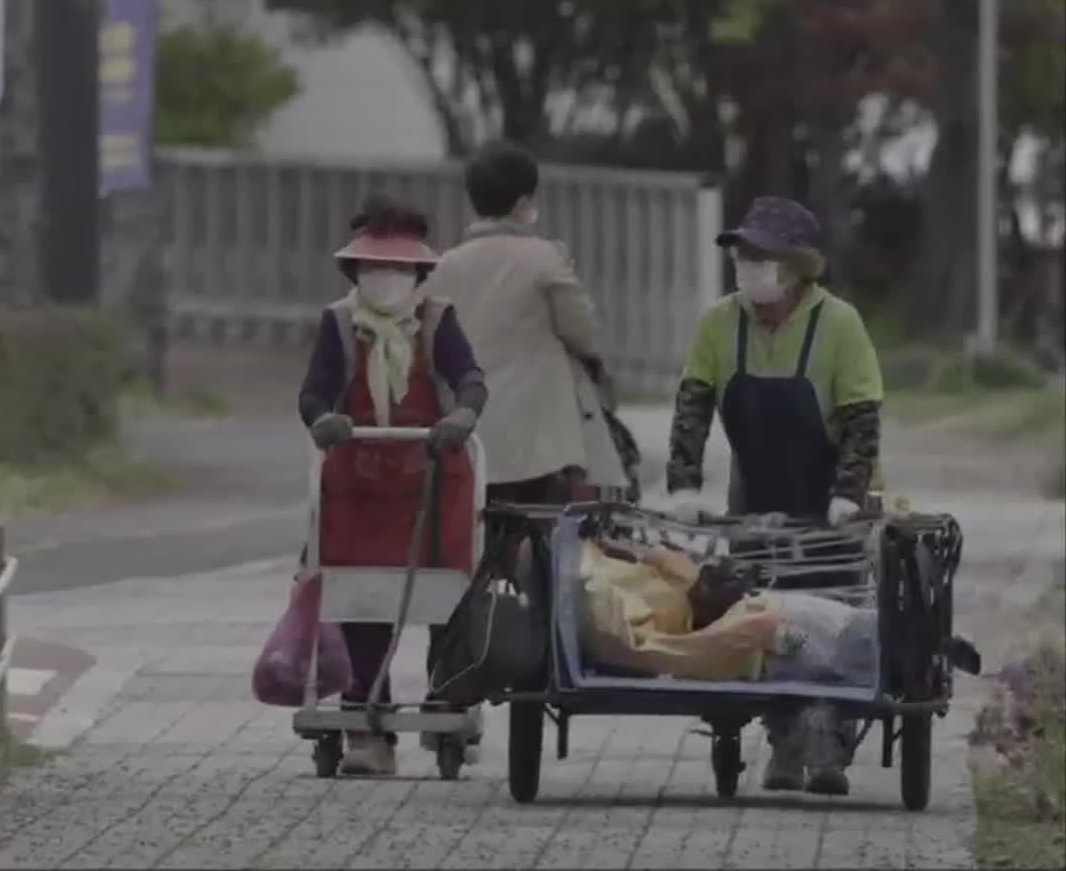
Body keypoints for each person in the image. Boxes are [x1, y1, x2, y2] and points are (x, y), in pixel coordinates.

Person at [661, 195, 884, 796]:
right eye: (743, 254)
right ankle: (787, 744)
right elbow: (692, 409)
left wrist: (848, 494)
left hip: (830, 499)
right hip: (755, 494)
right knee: (770, 618)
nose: (748, 265)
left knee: (831, 621)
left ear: (797, 266)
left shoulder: (839, 324)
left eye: (761, 255)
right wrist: (683, 484)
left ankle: (828, 740)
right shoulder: (718, 323)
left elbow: (863, 418)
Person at [297, 194, 488, 776]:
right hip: (356, 485)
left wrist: (463, 417)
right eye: (375, 269)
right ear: (356, 270)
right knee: (360, 602)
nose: (385, 279)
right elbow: (313, 392)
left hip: (433, 480)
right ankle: (365, 725)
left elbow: (470, 378)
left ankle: (446, 701)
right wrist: (321, 421)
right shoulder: (336, 324)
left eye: (397, 269)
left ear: (419, 273)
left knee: (447, 599)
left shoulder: (439, 321)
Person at [429, 144, 628, 505]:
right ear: (523, 202)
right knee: (546, 525)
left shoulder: (445, 266)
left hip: (466, 426)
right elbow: (582, 332)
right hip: (538, 439)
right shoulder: (545, 258)